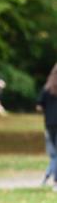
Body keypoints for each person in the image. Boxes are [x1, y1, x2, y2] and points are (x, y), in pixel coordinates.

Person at [37, 63, 57, 191]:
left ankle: (47, 176)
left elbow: (38, 106)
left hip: (49, 124)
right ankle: (54, 180)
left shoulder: (47, 88)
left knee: (54, 154)